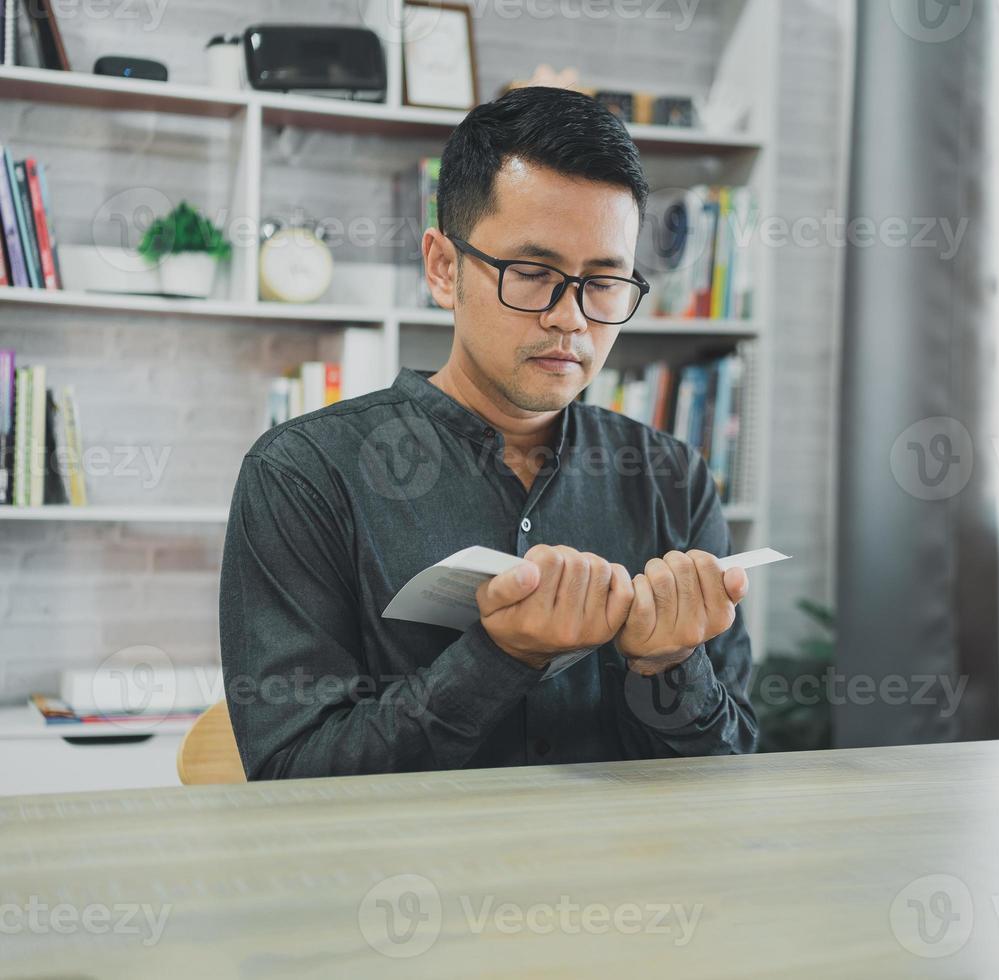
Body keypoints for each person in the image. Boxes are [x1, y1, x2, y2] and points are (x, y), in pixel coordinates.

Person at [219, 87, 756, 779]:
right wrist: (500, 657)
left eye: (604, 283)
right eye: (533, 275)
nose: (571, 319)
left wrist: (670, 667)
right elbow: (292, 776)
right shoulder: (303, 476)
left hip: (625, 884)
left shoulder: (673, 481)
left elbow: (735, 773)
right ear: (444, 268)